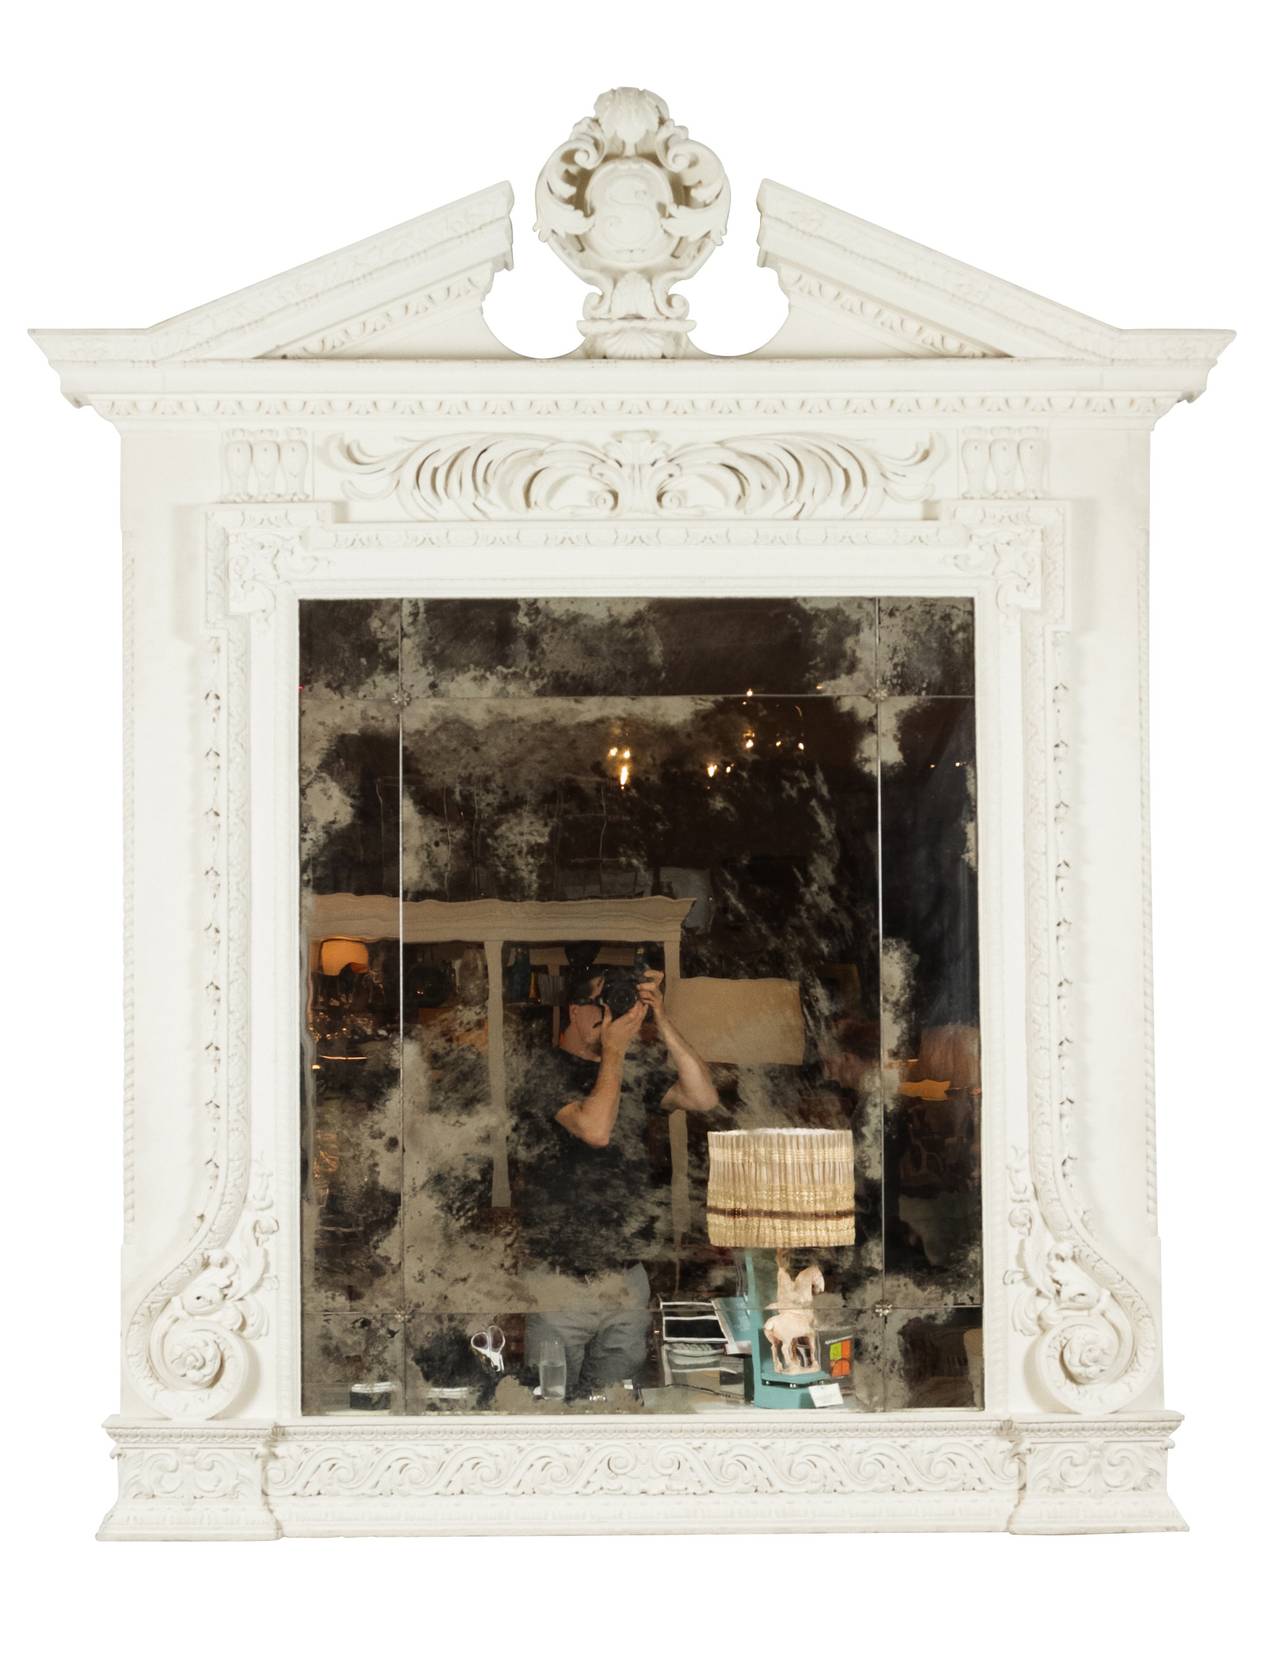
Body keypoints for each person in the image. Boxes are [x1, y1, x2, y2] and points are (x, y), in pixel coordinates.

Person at [512, 964, 718, 1398]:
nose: (610, 1015)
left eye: (618, 1004)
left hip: (626, 1280)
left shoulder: (631, 1069)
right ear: (574, 1010)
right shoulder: (542, 1069)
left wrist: (660, 1018)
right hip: (561, 1281)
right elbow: (595, 1130)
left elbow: (703, 1096)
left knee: (618, 1406)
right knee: (551, 1408)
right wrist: (615, 1052)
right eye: (600, 1005)